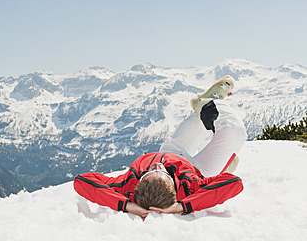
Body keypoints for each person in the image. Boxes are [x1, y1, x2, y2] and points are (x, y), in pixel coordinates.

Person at [74, 75, 247, 219]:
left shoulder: (126, 186)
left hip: (172, 150)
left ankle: (204, 105)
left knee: (201, 118)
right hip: (197, 170)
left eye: (149, 172)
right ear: (173, 187)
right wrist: (182, 206)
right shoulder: (189, 189)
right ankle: (208, 104)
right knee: (235, 132)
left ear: (138, 184)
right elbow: (234, 184)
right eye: (163, 173)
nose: (159, 166)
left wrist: (126, 205)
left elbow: (81, 181)